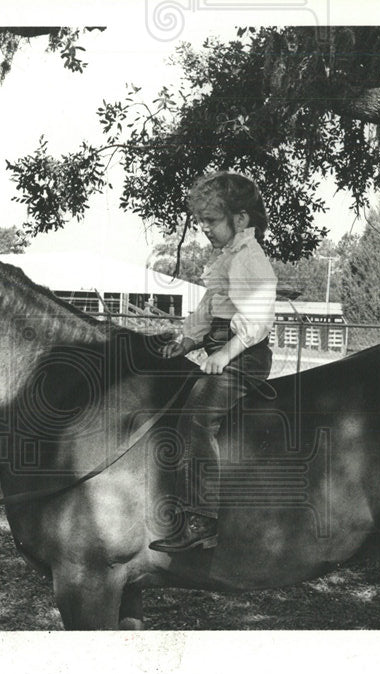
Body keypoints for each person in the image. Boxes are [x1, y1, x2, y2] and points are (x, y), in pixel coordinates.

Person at [149, 172, 278, 553]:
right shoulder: (227, 257)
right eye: (201, 221)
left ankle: (202, 518)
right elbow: (211, 309)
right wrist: (188, 340)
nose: (204, 228)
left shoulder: (249, 259)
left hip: (246, 355)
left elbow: (257, 320)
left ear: (240, 220)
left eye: (212, 220)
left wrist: (224, 354)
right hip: (224, 346)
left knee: (198, 416)